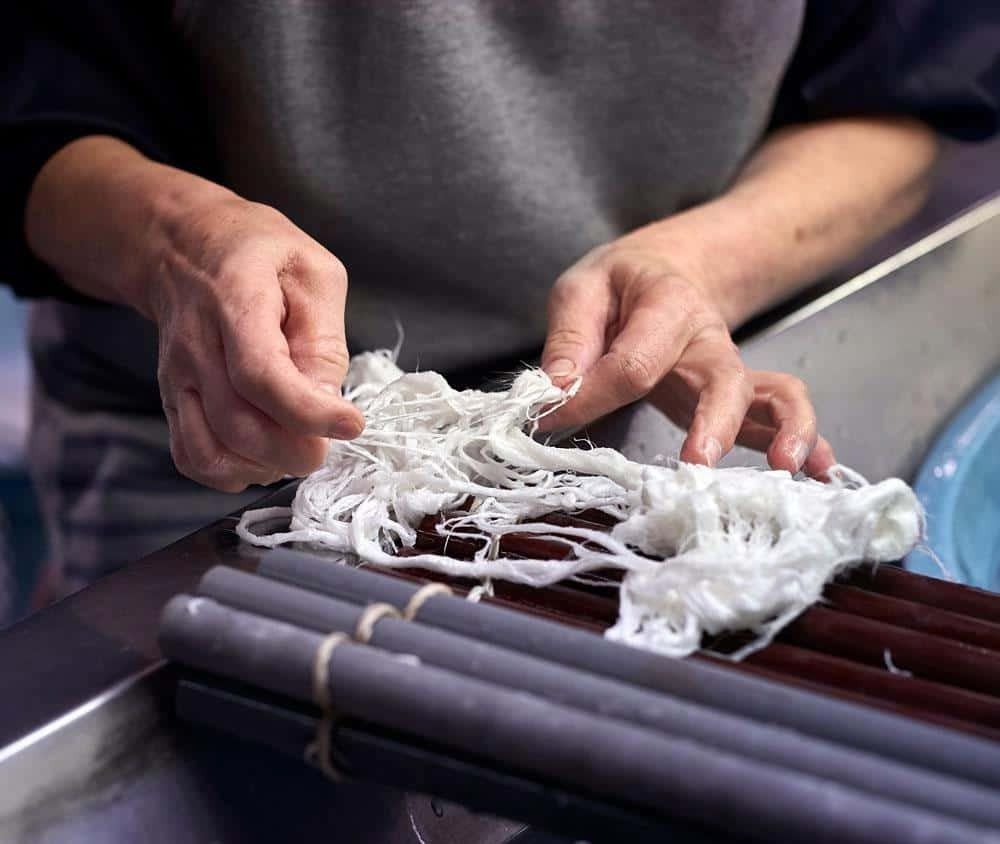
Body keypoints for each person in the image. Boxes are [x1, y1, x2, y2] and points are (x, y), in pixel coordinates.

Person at [2, 2, 998, 600]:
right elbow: (35, 109)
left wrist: (703, 263)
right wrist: (180, 242)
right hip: (230, 450)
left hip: (679, 403)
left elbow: (899, 83)